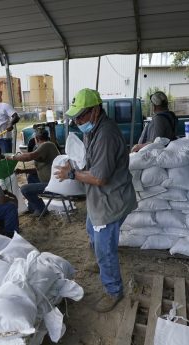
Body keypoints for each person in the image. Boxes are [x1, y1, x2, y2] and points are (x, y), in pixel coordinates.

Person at [55, 88, 137, 313]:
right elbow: (90, 162)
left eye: (81, 115)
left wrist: (71, 174)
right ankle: (101, 263)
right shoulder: (92, 129)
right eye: (75, 117)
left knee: (105, 248)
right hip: (99, 199)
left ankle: (113, 290)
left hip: (111, 199)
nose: (78, 120)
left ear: (96, 110)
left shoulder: (106, 134)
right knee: (91, 228)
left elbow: (100, 178)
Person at [9, 129, 60, 216]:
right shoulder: (46, 146)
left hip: (53, 185)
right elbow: (40, 169)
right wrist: (23, 171)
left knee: (24, 189)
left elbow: (29, 156)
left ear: (36, 138)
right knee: (31, 177)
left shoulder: (47, 145)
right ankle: (33, 207)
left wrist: (12, 157)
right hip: (50, 181)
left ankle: (41, 210)